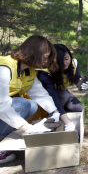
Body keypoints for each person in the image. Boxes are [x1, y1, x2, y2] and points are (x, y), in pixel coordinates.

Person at [0, 35, 60, 164]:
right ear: (34, 53)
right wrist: (28, 128)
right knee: (23, 104)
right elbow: (2, 106)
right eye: (45, 57)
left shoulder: (29, 71)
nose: (46, 61)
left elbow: (40, 94)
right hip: (1, 108)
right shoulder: (4, 69)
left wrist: (55, 112)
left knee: (31, 105)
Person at [37, 44, 88, 132]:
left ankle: (61, 115)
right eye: (60, 61)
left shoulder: (73, 63)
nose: (64, 63)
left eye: (66, 58)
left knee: (78, 107)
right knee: (63, 95)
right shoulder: (45, 72)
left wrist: (81, 83)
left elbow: (76, 77)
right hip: (44, 101)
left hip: (61, 94)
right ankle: (53, 118)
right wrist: (68, 124)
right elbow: (53, 96)